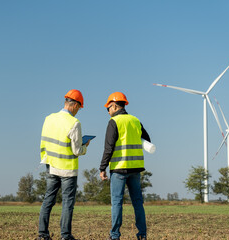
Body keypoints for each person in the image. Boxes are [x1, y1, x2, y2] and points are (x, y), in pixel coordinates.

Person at [37, 89, 90, 240]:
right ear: (75, 105)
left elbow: (43, 143)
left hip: (51, 166)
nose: (78, 111)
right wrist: (85, 145)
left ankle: (42, 234)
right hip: (68, 170)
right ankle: (65, 236)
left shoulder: (49, 118)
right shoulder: (74, 123)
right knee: (67, 203)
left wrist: (46, 160)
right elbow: (77, 150)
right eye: (79, 108)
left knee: (48, 200)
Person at [99, 92, 150, 240]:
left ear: (114, 106)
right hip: (136, 168)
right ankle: (142, 234)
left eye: (108, 108)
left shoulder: (114, 122)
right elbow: (147, 139)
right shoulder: (135, 120)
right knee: (138, 203)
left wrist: (102, 168)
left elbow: (108, 148)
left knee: (116, 203)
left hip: (119, 169)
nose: (108, 111)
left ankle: (115, 236)